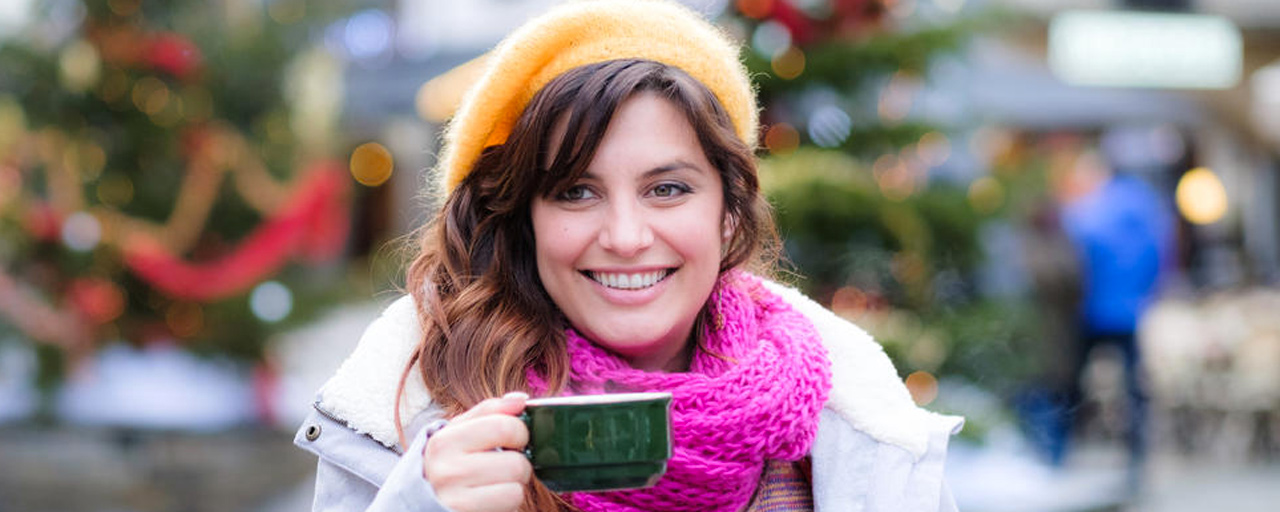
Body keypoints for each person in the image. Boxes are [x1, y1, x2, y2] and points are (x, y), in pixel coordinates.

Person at [294, 1, 962, 511]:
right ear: (524, 218)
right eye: (575, 191)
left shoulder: (852, 414)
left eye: (667, 189)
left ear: (728, 208)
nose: (625, 235)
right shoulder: (405, 411)